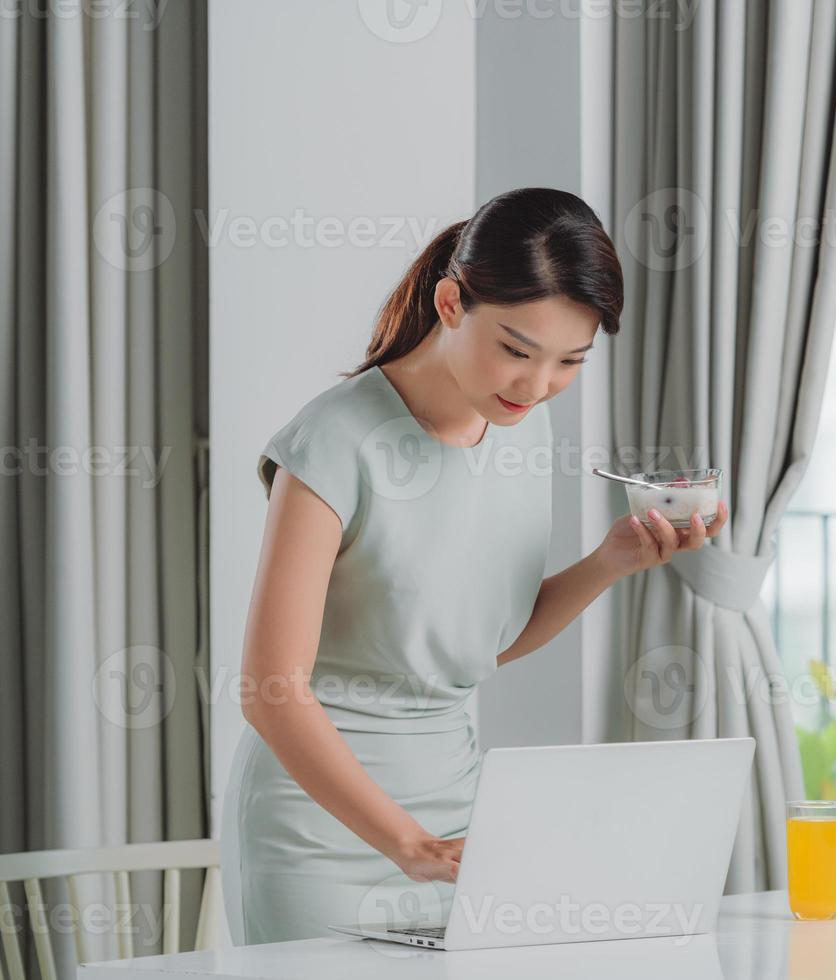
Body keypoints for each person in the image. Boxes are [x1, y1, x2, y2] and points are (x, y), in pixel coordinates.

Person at [219, 187, 728, 944]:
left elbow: (474, 646)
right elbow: (270, 691)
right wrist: (403, 843)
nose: (536, 384)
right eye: (517, 350)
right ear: (451, 303)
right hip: (318, 836)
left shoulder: (519, 425)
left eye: (569, 362)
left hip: (460, 825)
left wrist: (611, 561)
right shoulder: (333, 442)